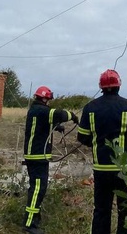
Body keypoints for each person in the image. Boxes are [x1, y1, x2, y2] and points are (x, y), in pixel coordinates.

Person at [77, 69, 127, 234]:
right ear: (119, 85)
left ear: (101, 87)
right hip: (126, 169)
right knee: (126, 210)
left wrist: (96, 144)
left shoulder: (90, 108)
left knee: (101, 210)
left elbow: (82, 137)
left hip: (102, 169)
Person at [22, 85, 79, 234]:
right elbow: (59, 114)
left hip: (35, 156)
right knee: (37, 189)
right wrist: (72, 115)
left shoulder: (35, 110)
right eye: (48, 100)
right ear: (46, 99)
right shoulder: (42, 110)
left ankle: (35, 217)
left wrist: (56, 127)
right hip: (37, 156)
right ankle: (30, 224)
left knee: (37, 188)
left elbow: (43, 124)